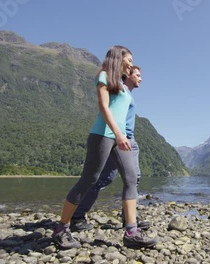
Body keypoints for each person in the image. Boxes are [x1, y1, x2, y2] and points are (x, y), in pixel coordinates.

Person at [52, 46, 157, 249]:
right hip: (103, 135)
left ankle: (131, 232)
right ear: (119, 58)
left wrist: (123, 136)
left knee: (130, 178)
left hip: (120, 138)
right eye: (129, 60)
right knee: (89, 180)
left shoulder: (121, 83)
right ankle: (61, 229)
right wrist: (118, 134)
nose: (130, 63)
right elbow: (104, 106)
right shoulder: (104, 76)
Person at [70, 65, 151, 231]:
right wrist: (120, 136)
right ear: (127, 75)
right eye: (137, 75)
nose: (140, 78)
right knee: (128, 178)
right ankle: (78, 216)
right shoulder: (120, 91)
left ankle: (78, 216)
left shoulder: (126, 94)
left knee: (107, 178)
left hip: (124, 138)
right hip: (121, 138)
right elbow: (107, 107)